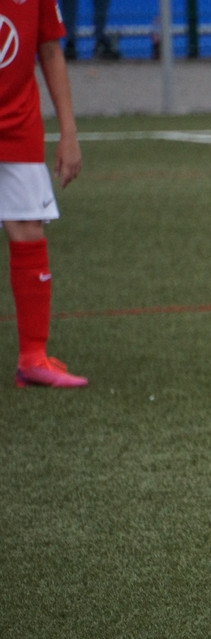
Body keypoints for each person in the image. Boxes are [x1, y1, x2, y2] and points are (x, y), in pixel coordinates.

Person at [1, 0, 88, 388]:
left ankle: (33, 359)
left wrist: (68, 133)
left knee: (28, 230)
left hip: (18, 125)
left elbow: (50, 50)